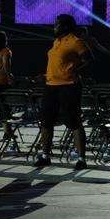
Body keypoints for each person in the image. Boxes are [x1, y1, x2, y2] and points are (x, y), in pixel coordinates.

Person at [35, 14, 91, 170]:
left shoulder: (76, 41)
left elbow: (89, 60)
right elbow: (59, 64)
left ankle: (81, 159)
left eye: (57, 24)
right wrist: (46, 75)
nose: (54, 27)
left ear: (65, 26)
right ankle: (45, 156)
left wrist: (75, 71)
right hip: (50, 85)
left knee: (73, 121)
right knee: (46, 121)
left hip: (69, 86)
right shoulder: (56, 41)